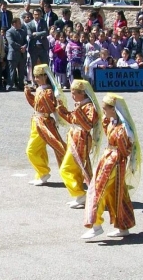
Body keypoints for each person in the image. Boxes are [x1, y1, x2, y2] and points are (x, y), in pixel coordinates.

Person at [82, 93, 141, 239]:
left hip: (113, 162)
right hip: (109, 158)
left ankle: (95, 224)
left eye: (105, 108)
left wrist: (115, 155)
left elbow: (125, 150)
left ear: (113, 109)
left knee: (97, 189)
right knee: (116, 192)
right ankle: (124, 225)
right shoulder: (111, 123)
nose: (103, 111)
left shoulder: (122, 130)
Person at [56, 80, 102, 208]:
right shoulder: (80, 105)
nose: (72, 95)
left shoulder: (89, 107)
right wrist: (62, 111)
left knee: (66, 168)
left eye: (74, 93)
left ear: (82, 93)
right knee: (75, 168)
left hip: (81, 139)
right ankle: (79, 195)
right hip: (75, 137)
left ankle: (80, 194)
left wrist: (77, 112)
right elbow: (72, 119)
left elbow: (87, 125)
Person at [25, 64, 66, 186]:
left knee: (31, 150)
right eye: (35, 76)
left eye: (38, 77)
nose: (36, 79)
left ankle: (44, 171)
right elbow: (36, 105)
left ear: (45, 77)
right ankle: (40, 174)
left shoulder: (47, 92)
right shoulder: (40, 89)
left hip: (43, 123)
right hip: (36, 120)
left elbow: (50, 108)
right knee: (40, 150)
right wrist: (28, 95)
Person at [6, 18, 27, 91]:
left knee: (21, 71)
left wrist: (25, 46)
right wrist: (20, 47)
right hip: (13, 54)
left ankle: (21, 84)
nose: (20, 24)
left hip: (22, 54)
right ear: (14, 24)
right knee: (12, 71)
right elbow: (11, 42)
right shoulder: (9, 32)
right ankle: (10, 85)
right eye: (19, 23)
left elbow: (26, 41)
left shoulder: (23, 32)